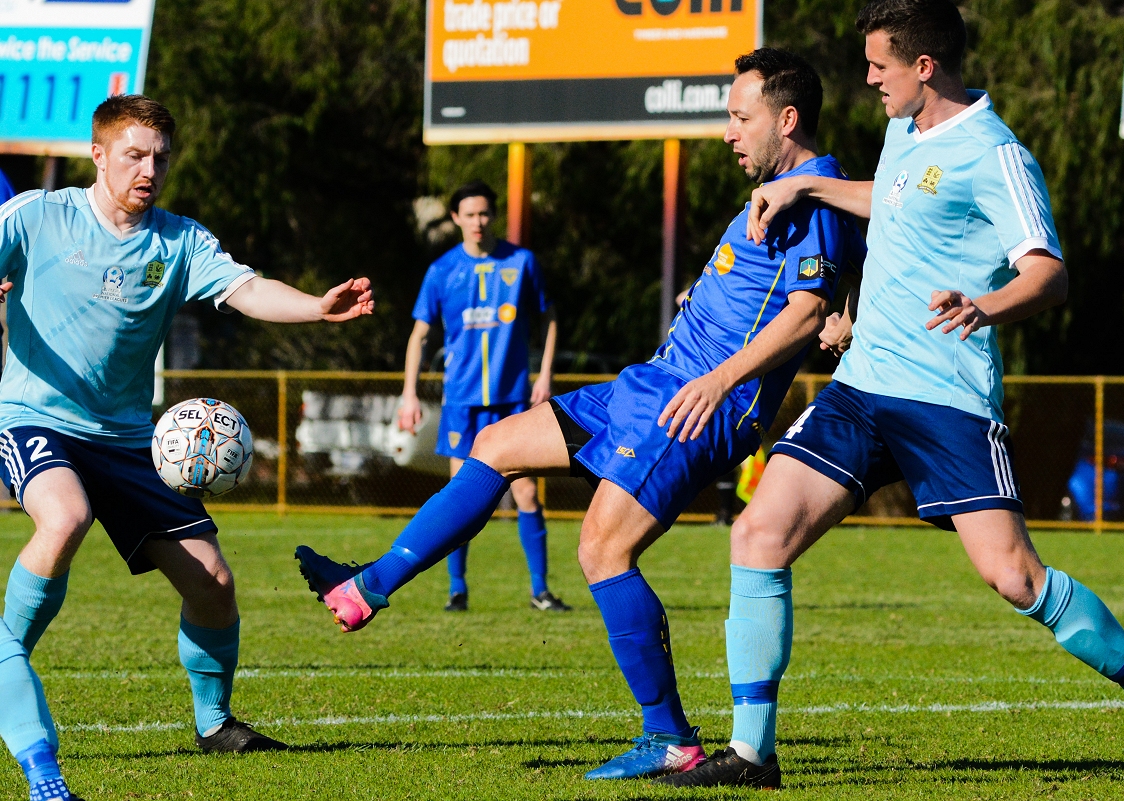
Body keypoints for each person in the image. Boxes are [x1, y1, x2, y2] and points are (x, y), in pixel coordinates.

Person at [658, 0, 1124, 791]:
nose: (869, 78)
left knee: (1015, 577)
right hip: (864, 384)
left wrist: (986, 305)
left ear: (924, 67)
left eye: (880, 64)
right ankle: (752, 751)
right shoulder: (902, 132)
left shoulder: (996, 152)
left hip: (945, 397)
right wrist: (811, 193)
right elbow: (895, 198)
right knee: (759, 534)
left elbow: (1049, 272)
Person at [296, 47, 866, 781]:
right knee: (497, 443)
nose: (727, 131)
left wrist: (727, 376)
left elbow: (802, 312)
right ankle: (367, 585)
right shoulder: (796, 188)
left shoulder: (814, 193)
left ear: (786, 120)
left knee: (601, 550)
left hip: (697, 404)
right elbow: (851, 265)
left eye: (740, 116)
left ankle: (670, 738)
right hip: (654, 384)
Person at [0, 95, 375, 755]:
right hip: (37, 418)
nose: (149, 169)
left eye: (160, 158)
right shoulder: (36, 216)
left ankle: (215, 723)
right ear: (98, 154)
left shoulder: (179, 240)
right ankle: (7, 666)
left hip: (125, 438)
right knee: (63, 518)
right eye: (134, 155)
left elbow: (246, 289)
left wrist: (317, 306)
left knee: (213, 580)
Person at [395, 180, 568, 612]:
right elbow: (419, 335)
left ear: (494, 215)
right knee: (461, 498)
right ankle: (457, 590)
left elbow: (548, 317)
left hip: (512, 402)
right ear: (456, 218)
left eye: (485, 213)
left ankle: (540, 591)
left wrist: (544, 374)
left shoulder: (522, 262)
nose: (478, 222)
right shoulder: (441, 271)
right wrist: (409, 394)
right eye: (469, 214)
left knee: (527, 494)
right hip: (462, 403)